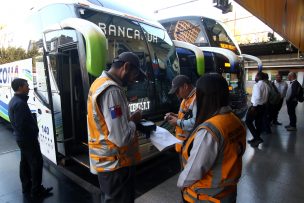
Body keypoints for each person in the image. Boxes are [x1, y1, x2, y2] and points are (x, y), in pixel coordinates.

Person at [177, 73, 246, 203]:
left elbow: (194, 170)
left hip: (206, 196)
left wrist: (181, 184)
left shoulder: (209, 130)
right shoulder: (236, 121)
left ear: (204, 98)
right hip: (228, 193)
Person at [87, 52, 143, 203]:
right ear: (126, 67)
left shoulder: (98, 83)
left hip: (107, 164)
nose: (133, 80)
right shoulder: (112, 91)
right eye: (134, 75)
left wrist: (126, 121)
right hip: (117, 166)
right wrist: (134, 121)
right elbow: (122, 138)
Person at [8, 78, 53, 198]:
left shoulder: (14, 101)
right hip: (27, 139)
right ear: (20, 88)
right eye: (26, 85)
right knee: (36, 163)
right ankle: (36, 190)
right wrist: (35, 131)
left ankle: (26, 187)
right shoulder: (20, 104)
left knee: (25, 163)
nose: (28, 87)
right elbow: (22, 125)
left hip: (21, 139)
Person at [164, 75, 196, 153]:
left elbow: (195, 123)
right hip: (183, 145)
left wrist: (177, 122)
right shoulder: (186, 98)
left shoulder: (196, 99)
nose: (177, 95)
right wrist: (175, 116)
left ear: (185, 86)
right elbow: (186, 116)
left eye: (177, 91)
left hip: (190, 146)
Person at [245, 72, 269, 147]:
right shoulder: (266, 85)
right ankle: (255, 139)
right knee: (258, 123)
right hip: (263, 106)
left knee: (248, 122)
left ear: (259, 77)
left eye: (256, 76)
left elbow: (257, 97)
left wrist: (254, 107)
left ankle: (257, 138)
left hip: (256, 107)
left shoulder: (257, 85)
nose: (255, 77)